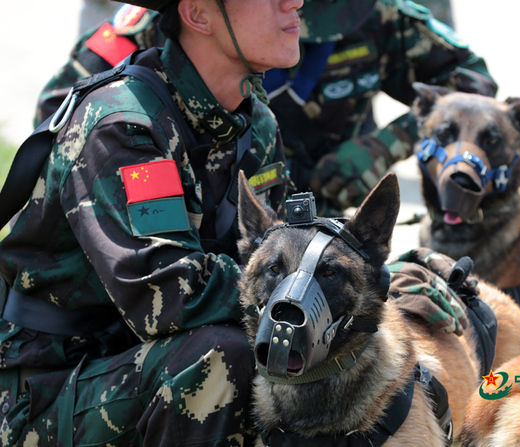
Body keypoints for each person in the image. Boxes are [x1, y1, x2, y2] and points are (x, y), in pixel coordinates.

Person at [0, 0, 300, 444]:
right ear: (198, 15)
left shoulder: (255, 124)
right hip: (48, 392)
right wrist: (305, 286)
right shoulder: (124, 123)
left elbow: (287, 242)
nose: (293, 3)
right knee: (222, 358)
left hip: (139, 366)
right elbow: (170, 294)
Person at [35, 0, 498, 216]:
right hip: (194, 228)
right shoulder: (159, 27)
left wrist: (386, 143)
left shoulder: (378, 17)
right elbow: (62, 114)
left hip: (320, 213)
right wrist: (159, 181)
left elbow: (472, 87)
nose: (294, 11)